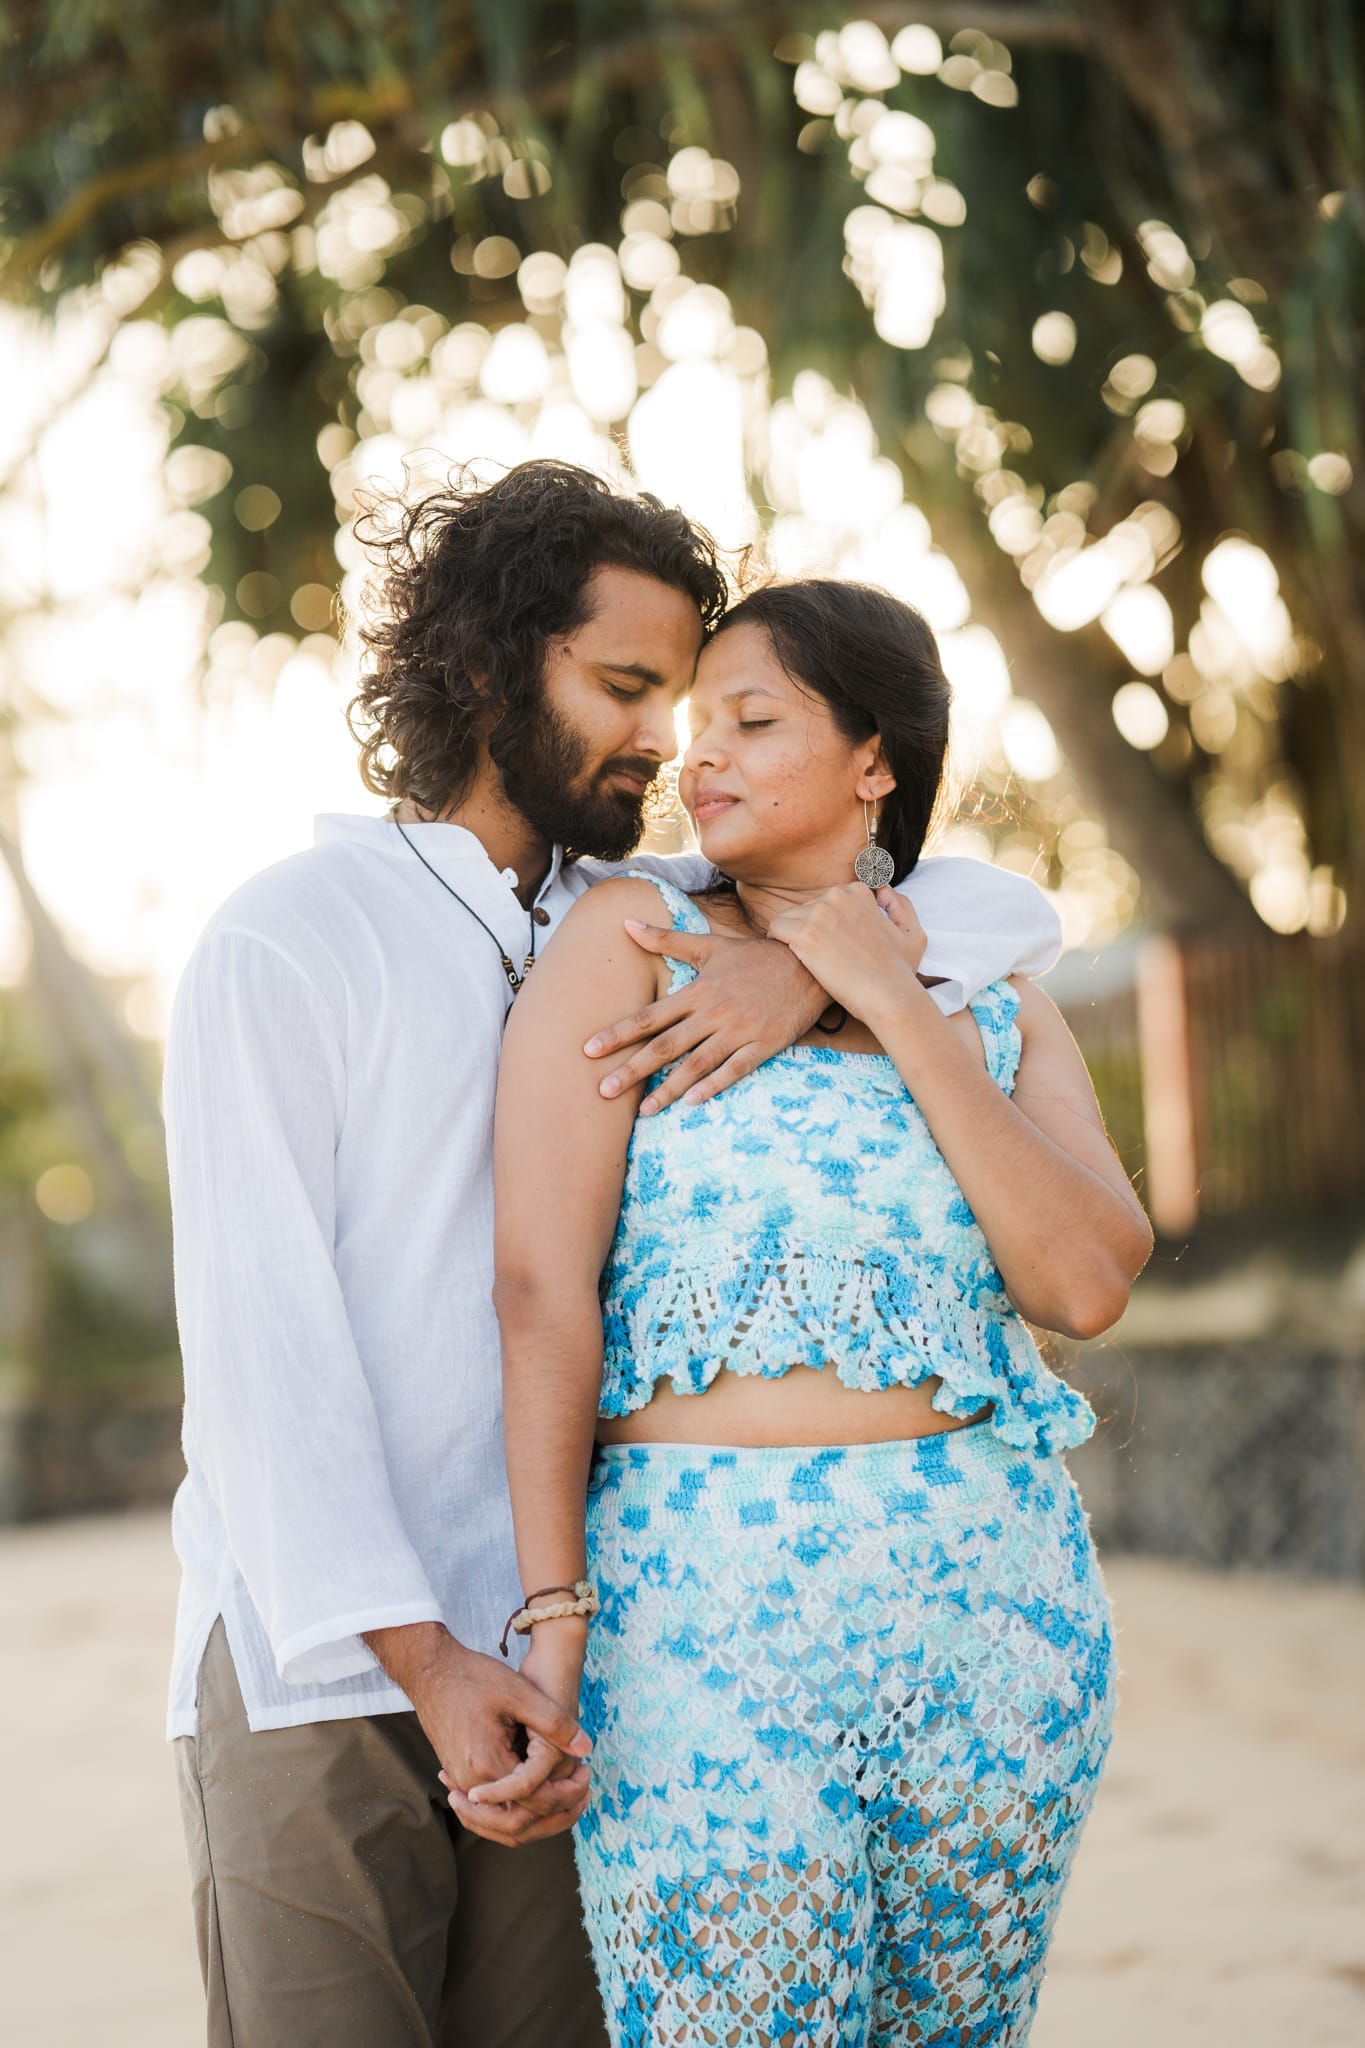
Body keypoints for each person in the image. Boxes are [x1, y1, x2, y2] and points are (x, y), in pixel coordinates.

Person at [164, 465, 1063, 2048]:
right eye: (625, 688)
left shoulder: (638, 908)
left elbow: (986, 907)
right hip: (332, 1665)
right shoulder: (291, 934)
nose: (666, 741)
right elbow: (263, 1361)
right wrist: (427, 1660)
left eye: (690, 700)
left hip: (582, 1662)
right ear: (483, 669)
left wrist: (803, 975)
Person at [486, 577, 1154, 2046]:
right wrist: (552, 1614)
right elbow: (538, 1290)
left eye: (752, 720)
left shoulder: (992, 996)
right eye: (695, 722)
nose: (697, 753)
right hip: (694, 1620)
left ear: (875, 761)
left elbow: (1086, 1281)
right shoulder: (629, 937)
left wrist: (892, 999)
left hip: (992, 1608)